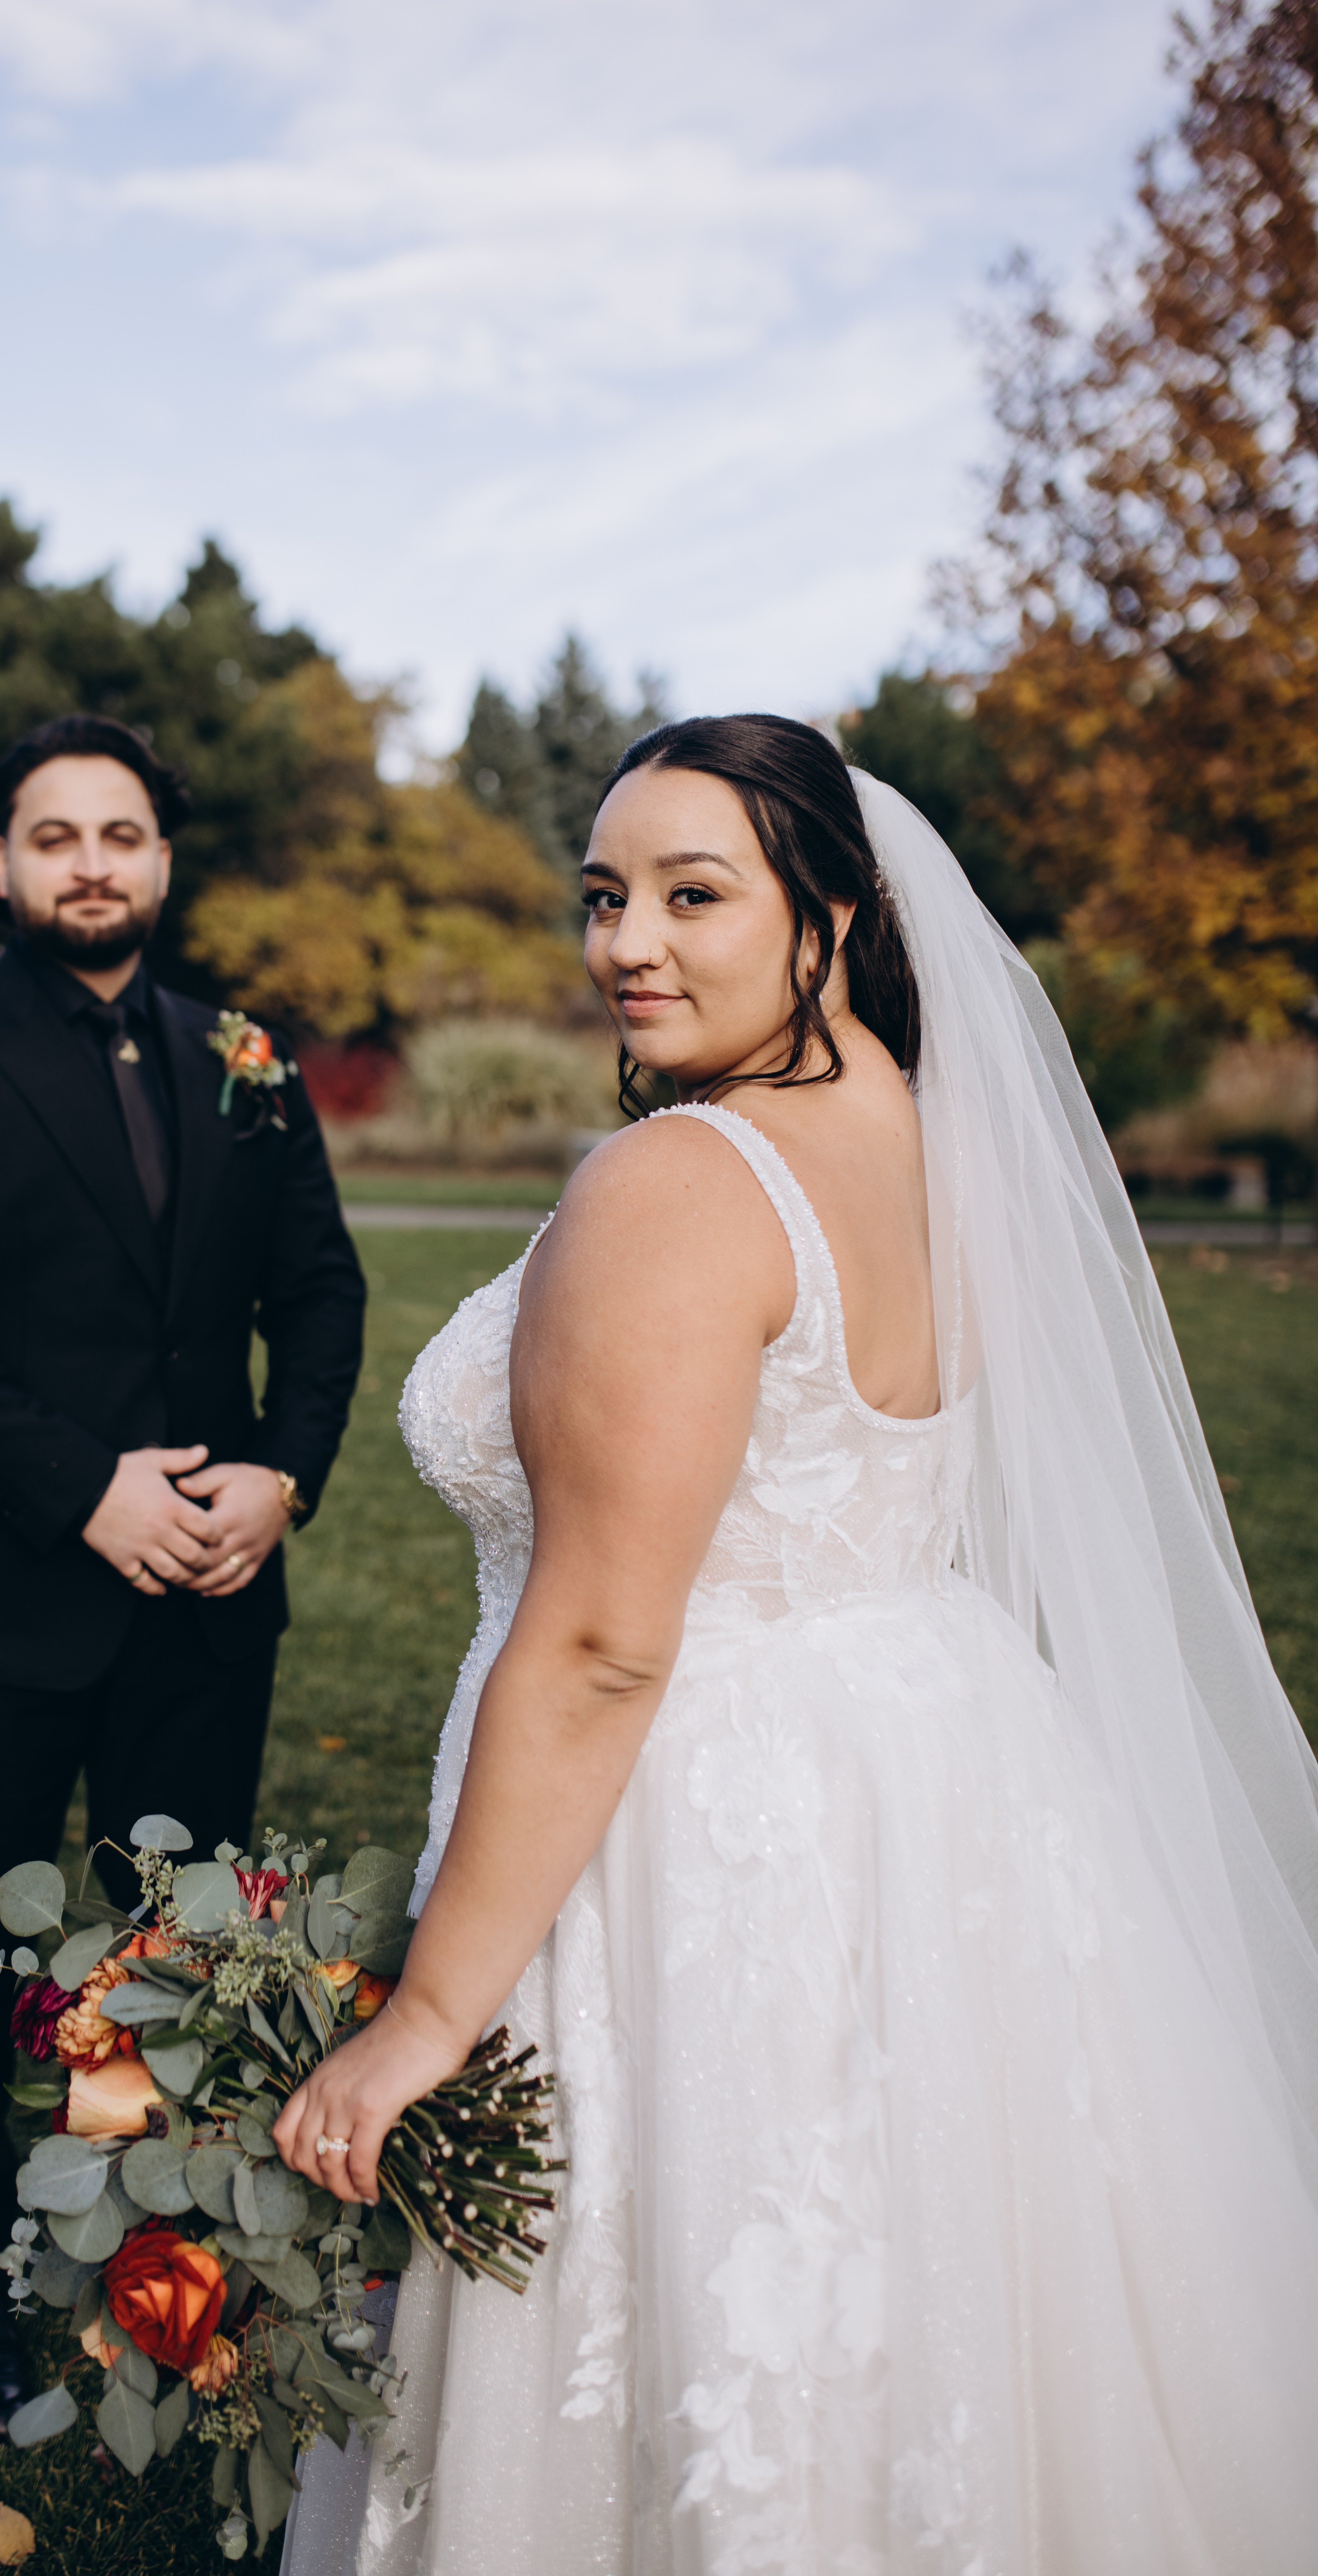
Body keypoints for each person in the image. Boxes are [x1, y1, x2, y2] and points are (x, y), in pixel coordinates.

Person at [275, 716, 1318, 2573]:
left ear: (831, 917)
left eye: (694, 895)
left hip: (697, 1811)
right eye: (604, 894)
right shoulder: (932, 1144)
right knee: (942, 2274)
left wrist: (425, 2019)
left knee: (723, 2272)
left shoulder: (680, 1183)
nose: (625, 944)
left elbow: (605, 1643)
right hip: (937, 1765)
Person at [0, 714, 365, 2438]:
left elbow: (322, 1292)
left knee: (169, 1951)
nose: (89, 863)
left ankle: (143, 2269)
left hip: (207, 1591)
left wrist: (283, 1473)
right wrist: (84, 1493)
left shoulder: (245, 1055)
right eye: (52, 835)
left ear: (162, 860)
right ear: (2, 863)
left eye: (120, 833)